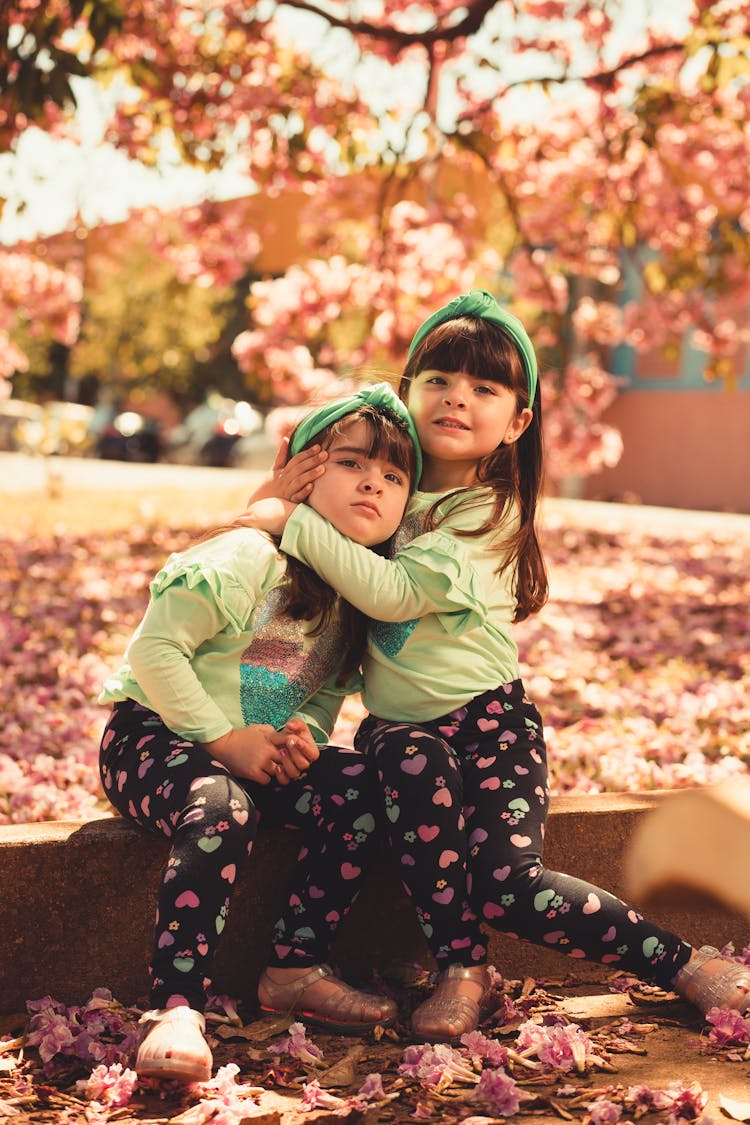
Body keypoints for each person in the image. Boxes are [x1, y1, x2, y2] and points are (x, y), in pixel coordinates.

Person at [242, 290, 750, 1042]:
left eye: (485, 387)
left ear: (517, 422)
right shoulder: (383, 489)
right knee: (406, 760)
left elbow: (392, 594)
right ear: (407, 390)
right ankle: (462, 967)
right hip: (399, 733)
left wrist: (299, 521)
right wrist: (277, 498)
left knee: (507, 885)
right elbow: (310, 601)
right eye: (440, 379)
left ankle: (680, 963)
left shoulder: (489, 511)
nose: (457, 398)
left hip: (491, 727)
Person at [98, 383, 420, 1082]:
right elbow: (154, 653)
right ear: (303, 471)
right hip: (155, 737)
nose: (374, 482)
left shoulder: (352, 597)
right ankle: (176, 1005)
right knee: (222, 805)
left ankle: (294, 966)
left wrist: (302, 733)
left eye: (394, 476)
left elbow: (324, 688)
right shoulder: (249, 556)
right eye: (352, 463)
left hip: (247, 752)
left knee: (363, 786)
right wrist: (222, 739)